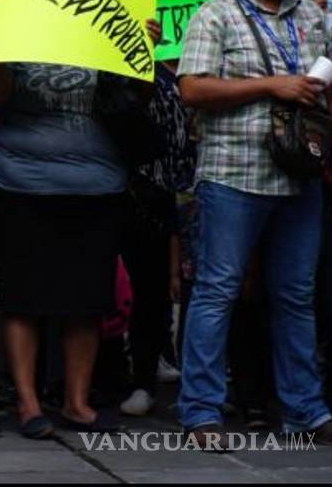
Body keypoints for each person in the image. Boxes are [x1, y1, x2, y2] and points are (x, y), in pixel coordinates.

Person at [177, 0, 332, 447]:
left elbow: (331, 93)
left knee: (296, 294)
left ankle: (305, 410)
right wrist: (272, 86)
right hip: (234, 175)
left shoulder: (311, 16)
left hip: (300, 177)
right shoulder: (214, 15)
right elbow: (193, 89)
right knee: (218, 290)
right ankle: (201, 411)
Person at [0, 10, 160, 440]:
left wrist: (142, 51)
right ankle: (28, 404)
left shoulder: (106, 22)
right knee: (22, 297)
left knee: (87, 299)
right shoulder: (19, 23)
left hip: (97, 187)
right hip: (23, 185)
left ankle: (77, 402)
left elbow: (137, 98)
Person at [117, 57, 195, 418]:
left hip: (198, 188)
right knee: (148, 288)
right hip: (146, 189)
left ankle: (193, 378)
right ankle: (141, 378)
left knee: (195, 289)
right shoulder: (138, 64)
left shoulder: (204, 63)